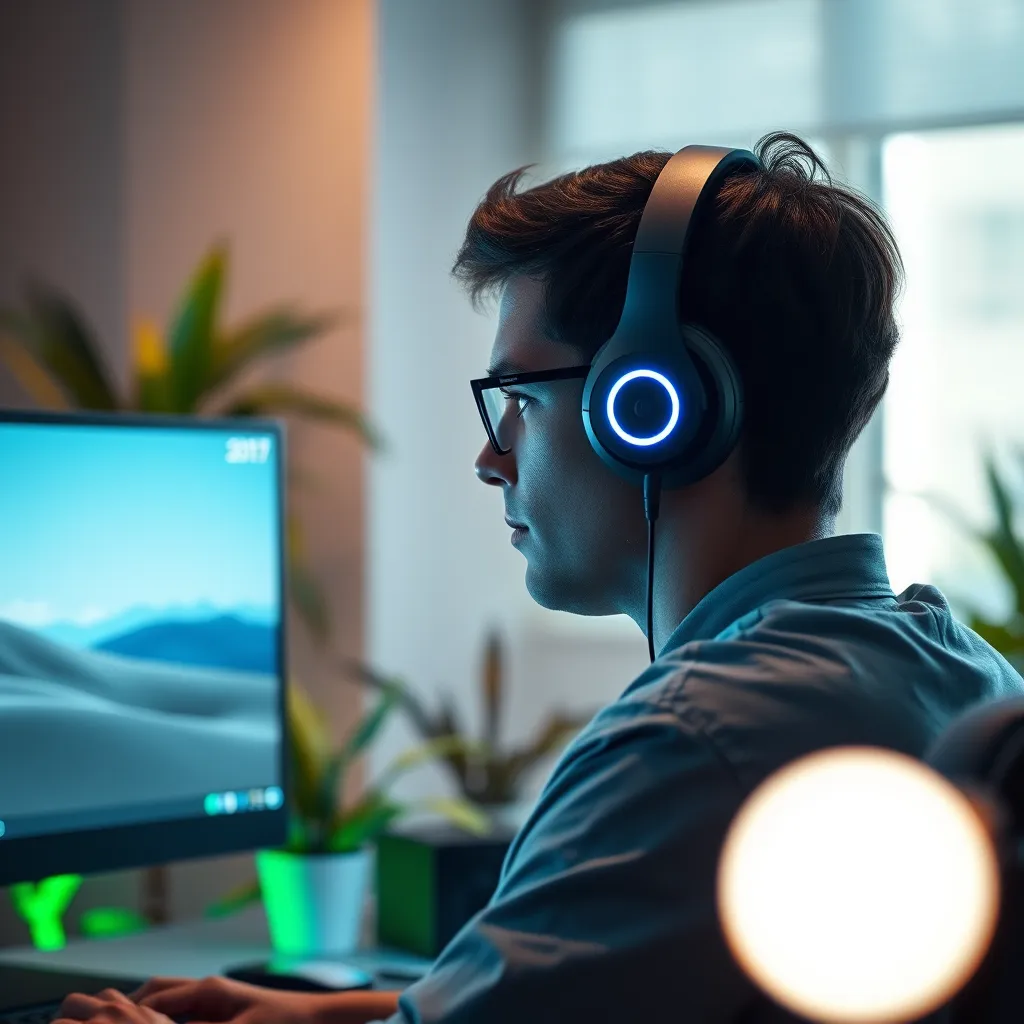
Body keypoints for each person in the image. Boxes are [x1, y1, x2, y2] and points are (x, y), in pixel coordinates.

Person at [56, 132, 1024, 1024]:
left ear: (652, 407)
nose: (491, 457)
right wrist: (320, 1013)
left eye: (518, 396)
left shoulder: (689, 742)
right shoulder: (960, 672)